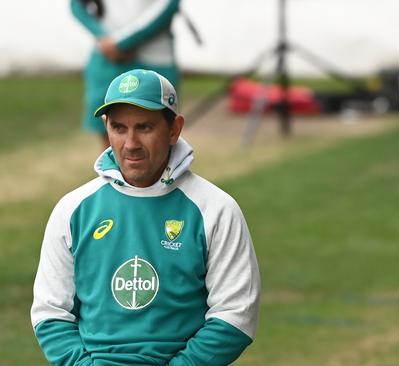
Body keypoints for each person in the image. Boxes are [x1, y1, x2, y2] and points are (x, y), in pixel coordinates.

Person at [31, 69, 260, 365]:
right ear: (105, 127)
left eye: (145, 127)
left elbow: (236, 315)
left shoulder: (215, 208)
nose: (130, 143)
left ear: (174, 129)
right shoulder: (73, 209)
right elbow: (50, 312)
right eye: (119, 128)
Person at [71, 0, 181, 149]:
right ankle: (111, 173)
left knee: (155, 137)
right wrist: (103, 38)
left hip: (154, 58)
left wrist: (120, 43)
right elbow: (76, 4)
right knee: (111, 138)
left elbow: (168, 5)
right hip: (106, 59)